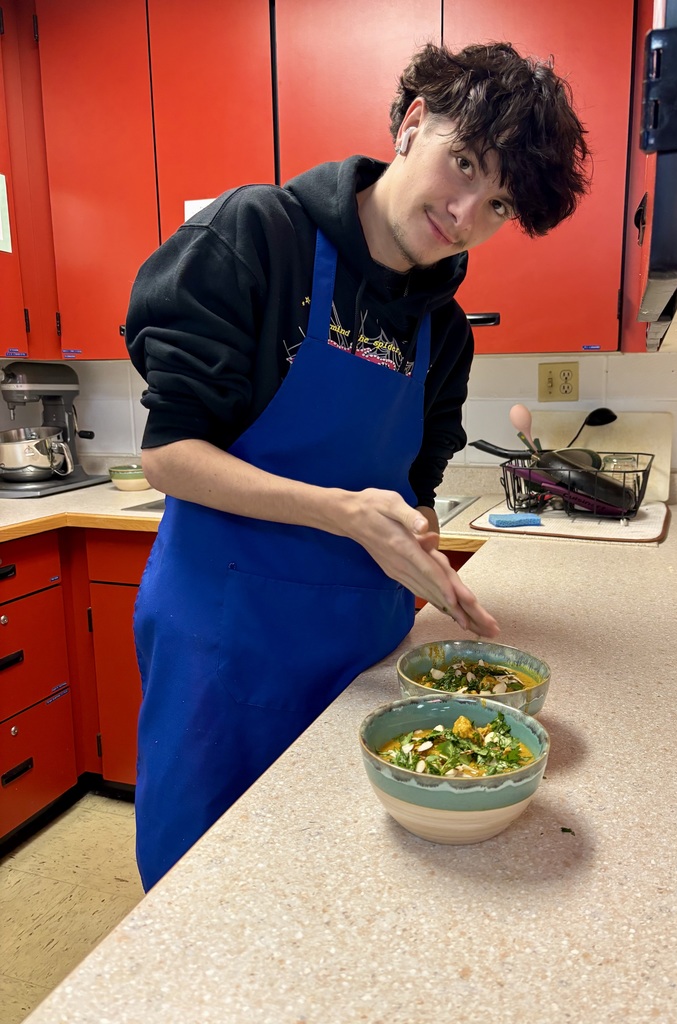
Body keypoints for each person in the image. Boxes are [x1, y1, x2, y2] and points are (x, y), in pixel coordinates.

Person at [125, 41, 590, 890]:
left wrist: (421, 547)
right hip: (224, 648)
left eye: (498, 205)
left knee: (343, 889)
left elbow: (415, 489)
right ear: (415, 123)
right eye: (464, 164)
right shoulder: (257, 237)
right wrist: (342, 512)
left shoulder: (442, 330)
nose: (465, 213)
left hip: (366, 656)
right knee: (208, 889)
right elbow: (169, 455)